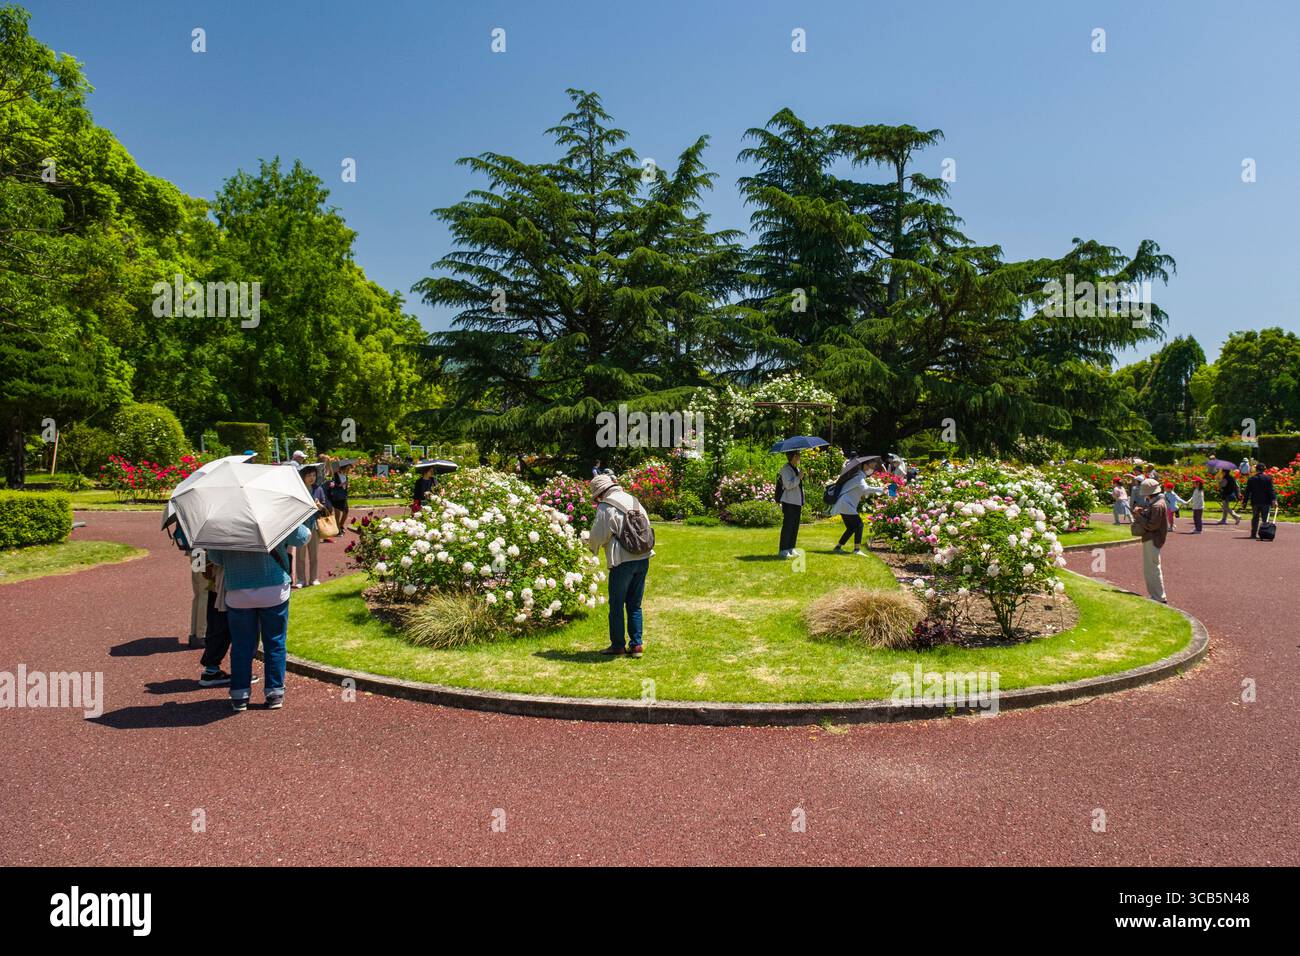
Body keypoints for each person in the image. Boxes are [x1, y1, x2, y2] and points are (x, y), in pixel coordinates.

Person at [207, 522, 311, 712]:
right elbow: (302, 537)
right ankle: (274, 692)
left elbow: (216, 557)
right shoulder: (275, 511)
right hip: (273, 586)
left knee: (241, 644)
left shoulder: (226, 518)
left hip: (238, 589)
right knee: (275, 642)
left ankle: (240, 694)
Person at [586, 473, 654, 657]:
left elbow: (598, 535)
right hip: (643, 556)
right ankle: (637, 645)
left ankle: (617, 646)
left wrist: (592, 548)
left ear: (599, 494)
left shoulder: (606, 506)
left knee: (616, 605)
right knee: (635, 604)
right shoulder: (633, 500)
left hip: (622, 560)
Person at [830, 461, 886, 555]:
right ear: (865, 466)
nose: (872, 469)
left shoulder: (859, 476)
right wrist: (881, 489)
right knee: (859, 525)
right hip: (845, 504)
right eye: (871, 466)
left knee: (851, 527)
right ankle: (857, 550)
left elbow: (862, 490)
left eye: (874, 466)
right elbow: (865, 489)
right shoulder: (858, 477)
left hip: (845, 504)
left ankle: (838, 547)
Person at [1131, 478, 1169, 603]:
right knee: (1152, 568)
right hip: (1154, 538)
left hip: (1153, 538)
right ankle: (1156, 595)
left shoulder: (1157, 505)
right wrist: (1143, 512)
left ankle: (1159, 596)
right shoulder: (1157, 502)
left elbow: (1152, 525)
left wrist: (1139, 516)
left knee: (1152, 568)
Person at [295, 463, 329, 587]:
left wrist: (320, 506)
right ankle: (300, 580)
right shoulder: (298, 490)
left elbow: (326, 509)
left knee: (314, 555)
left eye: (314, 475)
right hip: (300, 526)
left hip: (314, 525)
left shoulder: (318, 489)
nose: (312, 478)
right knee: (300, 555)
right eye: (309, 475)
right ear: (303, 476)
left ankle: (313, 578)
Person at [777, 450, 804, 558]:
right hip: (789, 501)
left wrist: (800, 475)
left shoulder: (796, 468)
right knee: (788, 526)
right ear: (793, 457)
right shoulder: (786, 469)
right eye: (798, 455)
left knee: (795, 526)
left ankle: (791, 548)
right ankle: (783, 550)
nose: (800, 457)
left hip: (796, 501)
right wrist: (799, 477)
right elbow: (788, 485)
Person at [1242, 464, 1277, 539]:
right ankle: (1264, 533)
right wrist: (1274, 500)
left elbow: (1247, 492)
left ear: (1256, 469)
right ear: (1264, 469)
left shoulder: (1252, 479)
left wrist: (1244, 502)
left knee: (1255, 518)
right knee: (1265, 518)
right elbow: (1271, 490)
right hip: (1265, 501)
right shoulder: (1268, 478)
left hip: (1255, 501)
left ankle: (1253, 534)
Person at [327, 459, 352, 531]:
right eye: (348, 468)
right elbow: (332, 485)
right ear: (344, 468)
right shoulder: (335, 475)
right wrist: (342, 484)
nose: (349, 470)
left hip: (343, 495)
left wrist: (346, 486)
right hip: (336, 496)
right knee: (337, 513)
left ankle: (340, 525)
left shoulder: (345, 476)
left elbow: (345, 486)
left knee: (346, 511)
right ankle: (337, 529)